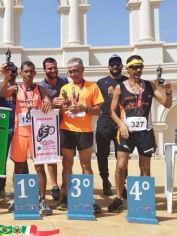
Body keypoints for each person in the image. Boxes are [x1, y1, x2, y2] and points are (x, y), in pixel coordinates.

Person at [108, 55, 172, 212]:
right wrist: (121, 124)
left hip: (145, 132)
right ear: (128, 69)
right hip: (126, 132)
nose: (138, 70)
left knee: (145, 166)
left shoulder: (150, 85)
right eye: (134, 67)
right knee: (121, 166)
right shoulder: (120, 87)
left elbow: (167, 103)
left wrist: (169, 91)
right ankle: (119, 197)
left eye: (140, 67)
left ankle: (144, 199)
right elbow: (112, 111)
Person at [0, 61, 53, 215]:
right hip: (20, 133)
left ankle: (42, 200)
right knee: (18, 167)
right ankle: (18, 198)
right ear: (21, 73)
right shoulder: (16, 88)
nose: (28, 74)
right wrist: (5, 76)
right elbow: (3, 93)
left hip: (37, 135)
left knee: (39, 167)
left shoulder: (41, 89)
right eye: (26, 71)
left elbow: (49, 100)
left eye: (31, 71)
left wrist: (48, 101)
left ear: (35, 73)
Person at [56, 57, 104, 213]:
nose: (73, 74)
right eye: (70, 72)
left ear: (82, 70)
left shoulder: (93, 87)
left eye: (75, 71)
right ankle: (66, 197)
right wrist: (60, 105)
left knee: (86, 165)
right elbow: (62, 109)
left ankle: (87, 197)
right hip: (67, 129)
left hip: (84, 131)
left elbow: (99, 110)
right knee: (67, 165)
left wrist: (85, 108)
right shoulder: (64, 87)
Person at [0, 63, 29, 199]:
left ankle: (23, 188)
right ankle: (0, 188)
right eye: (8, 71)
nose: (11, 73)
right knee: (1, 160)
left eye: (13, 71)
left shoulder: (22, 89)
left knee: (21, 160)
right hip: (4, 129)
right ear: (4, 72)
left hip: (20, 128)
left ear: (17, 72)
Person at [95, 54, 128, 196]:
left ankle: (122, 185)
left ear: (122, 66)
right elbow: (95, 102)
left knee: (122, 155)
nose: (115, 66)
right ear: (108, 66)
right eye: (112, 63)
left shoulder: (128, 81)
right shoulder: (101, 82)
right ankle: (105, 181)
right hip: (104, 122)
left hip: (122, 123)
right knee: (102, 154)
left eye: (118, 63)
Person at [38, 57, 68, 200]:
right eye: (50, 68)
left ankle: (65, 185)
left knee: (66, 157)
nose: (53, 70)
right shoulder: (41, 86)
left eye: (55, 67)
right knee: (51, 156)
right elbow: (42, 107)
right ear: (44, 70)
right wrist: (52, 104)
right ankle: (55, 185)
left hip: (66, 124)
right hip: (50, 126)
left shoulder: (64, 81)